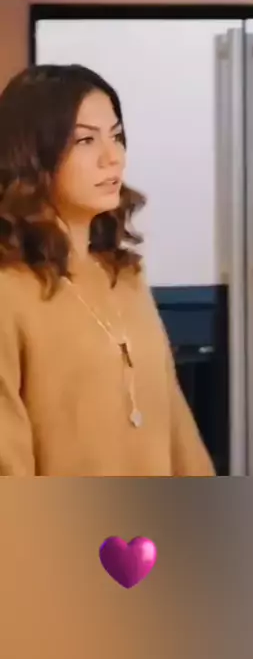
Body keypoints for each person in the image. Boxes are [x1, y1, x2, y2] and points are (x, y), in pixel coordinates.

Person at [0, 64, 215, 477]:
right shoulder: (9, 290)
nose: (112, 157)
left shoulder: (125, 277)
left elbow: (177, 428)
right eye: (85, 140)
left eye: (116, 136)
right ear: (32, 156)